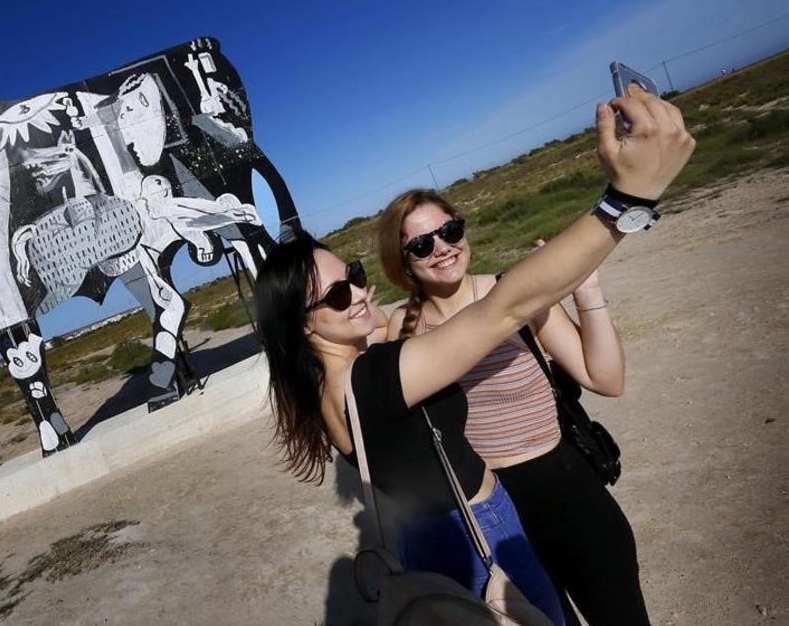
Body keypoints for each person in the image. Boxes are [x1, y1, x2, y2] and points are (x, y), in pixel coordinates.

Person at [254, 86, 692, 623]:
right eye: (340, 294)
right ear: (302, 323)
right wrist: (625, 201)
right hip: (482, 532)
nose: (363, 294)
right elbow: (503, 309)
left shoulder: (330, 385)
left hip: (457, 532)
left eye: (357, 277)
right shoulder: (371, 377)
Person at [377, 186, 644, 625]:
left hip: (569, 493)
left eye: (450, 230)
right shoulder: (403, 332)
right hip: (494, 516)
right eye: (423, 244)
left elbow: (606, 379)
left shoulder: (514, 292)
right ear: (403, 261)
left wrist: (587, 289)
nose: (443, 248)